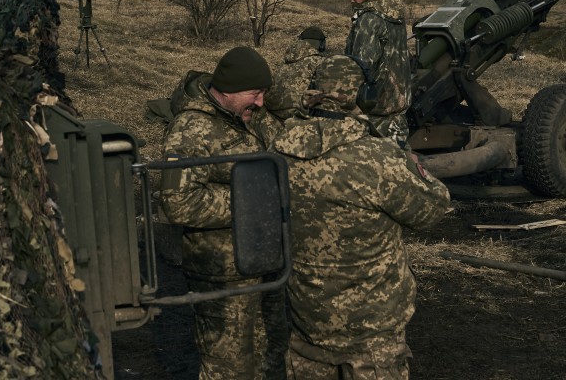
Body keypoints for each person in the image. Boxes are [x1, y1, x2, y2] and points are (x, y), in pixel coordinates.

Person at [270, 54, 451, 379]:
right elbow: (433, 208)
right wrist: (409, 164)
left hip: (307, 323)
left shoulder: (277, 154)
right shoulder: (377, 160)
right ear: (360, 97)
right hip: (372, 336)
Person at [158, 46, 286, 380]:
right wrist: (251, 202)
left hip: (268, 265)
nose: (260, 102)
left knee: (270, 359)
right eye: (254, 94)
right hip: (222, 272)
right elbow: (178, 201)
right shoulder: (190, 131)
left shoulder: (255, 118)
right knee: (228, 368)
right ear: (227, 91)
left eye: (263, 94)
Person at [345, 0, 412, 146]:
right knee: (399, 160)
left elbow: (361, 64)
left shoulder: (369, 20)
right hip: (398, 102)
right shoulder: (395, 18)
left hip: (375, 106)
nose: (352, 0)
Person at [265, 26, 329, 120]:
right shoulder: (323, 64)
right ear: (322, 45)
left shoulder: (284, 64)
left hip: (273, 118)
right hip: (300, 122)